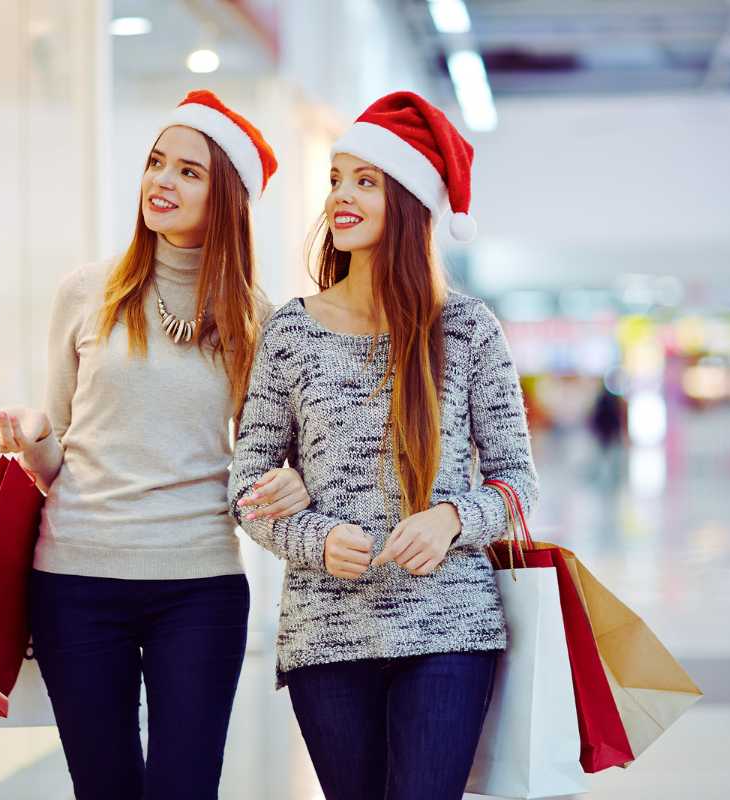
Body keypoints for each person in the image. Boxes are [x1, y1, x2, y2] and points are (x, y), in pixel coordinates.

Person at [0, 91, 308, 800]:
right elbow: (57, 447)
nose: (162, 181)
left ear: (226, 199)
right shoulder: (85, 292)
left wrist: (293, 483)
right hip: (77, 582)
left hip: (201, 587)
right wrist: (33, 437)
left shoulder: (256, 317)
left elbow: (263, 460)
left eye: (189, 171)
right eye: (157, 163)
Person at [230, 91, 540, 800]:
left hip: (448, 630)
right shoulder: (290, 332)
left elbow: (520, 483)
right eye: (336, 177)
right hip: (325, 635)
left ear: (408, 201)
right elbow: (247, 484)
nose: (340, 195)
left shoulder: (467, 330)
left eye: (365, 181)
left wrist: (453, 518)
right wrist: (313, 537)